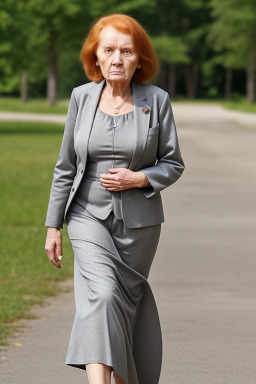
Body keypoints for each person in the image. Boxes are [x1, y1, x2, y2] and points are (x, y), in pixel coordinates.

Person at [44, 13, 185, 384]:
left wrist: (140, 177)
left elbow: (173, 163)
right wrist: (52, 225)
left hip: (140, 225)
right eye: (109, 50)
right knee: (102, 295)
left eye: (126, 51)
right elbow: (65, 166)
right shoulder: (81, 97)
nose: (117, 59)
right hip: (86, 215)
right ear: (96, 56)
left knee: (123, 309)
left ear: (140, 59)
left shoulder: (157, 101)